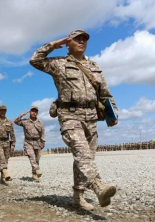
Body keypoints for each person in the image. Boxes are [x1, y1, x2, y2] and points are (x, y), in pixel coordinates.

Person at [29, 29, 118, 211]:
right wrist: (54, 44)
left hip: (91, 117)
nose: (82, 41)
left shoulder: (94, 66)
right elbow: (35, 60)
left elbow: (105, 93)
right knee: (82, 152)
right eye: (77, 38)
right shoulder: (59, 64)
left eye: (85, 39)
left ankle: (78, 196)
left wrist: (112, 113)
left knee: (85, 158)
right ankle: (98, 186)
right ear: (68, 43)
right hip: (69, 115)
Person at [14, 106, 45, 181]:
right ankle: (37, 169)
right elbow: (16, 121)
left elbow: (42, 133)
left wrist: (43, 143)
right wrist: (22, 114)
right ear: (30, 112)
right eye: (32, 111)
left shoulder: (40, 122)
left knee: (37, 159)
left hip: (37, 142)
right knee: (32, 157)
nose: (34, 113)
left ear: (37, 113)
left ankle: (34, 174)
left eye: (35, 111)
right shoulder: (25, 121)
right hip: (28, 142)